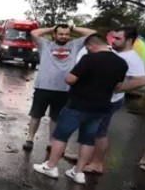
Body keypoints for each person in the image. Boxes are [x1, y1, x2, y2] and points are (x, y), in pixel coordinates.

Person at [33, 34, 128, 185]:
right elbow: (118, 86)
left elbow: (70, 79)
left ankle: (51, 167)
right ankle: (78, 172)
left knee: (61, 136)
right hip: (100, 108)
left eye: (87, 48)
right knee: (88, 140)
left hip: (77, 105)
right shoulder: (121, 63)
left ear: (91, 46)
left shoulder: (89, 59)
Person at [83, 27, 145, 174]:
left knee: (100, 133)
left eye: (118, 39)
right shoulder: (117, 53)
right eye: (113, 38)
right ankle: (86, 155)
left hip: (110, 101)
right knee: (91, 130)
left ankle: (97, 163)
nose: (113, 41)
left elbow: (142, 80)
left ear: (129, 40)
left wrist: (119, 88)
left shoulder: (132, 58)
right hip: (100, 99)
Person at [23, 24, 96, 152]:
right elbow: (34, 33)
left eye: (67, 34)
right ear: (54, 35)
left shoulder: (75, 45)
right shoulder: (45, 44)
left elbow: (93, 33)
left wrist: (73, 28)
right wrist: (52, 27)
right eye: (61, 34)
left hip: (64, 89)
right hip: (43, 87)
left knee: (56, 118)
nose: (64, 36)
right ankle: (29, 139)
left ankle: (52, 142)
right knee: (36, 115)